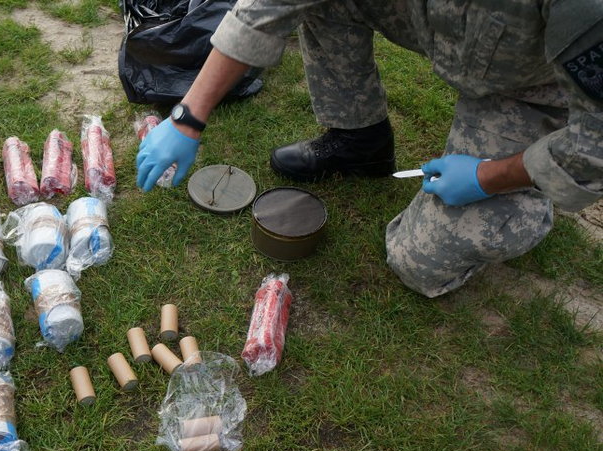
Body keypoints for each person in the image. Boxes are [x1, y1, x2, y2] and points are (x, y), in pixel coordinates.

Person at [136, 1, 603, 298]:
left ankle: (529, 197)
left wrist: (488, 176)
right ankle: (360, 142)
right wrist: (188, 117)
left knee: (417, 263)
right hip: (440, 29)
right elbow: (266, 7)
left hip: (535, 88)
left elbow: (597, 143)